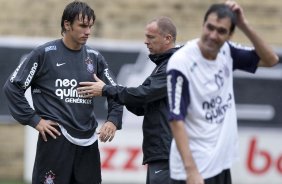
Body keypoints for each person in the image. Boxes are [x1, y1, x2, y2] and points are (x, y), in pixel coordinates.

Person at [3, 1, 123, 184]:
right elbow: (12, 87)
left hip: (88, 143)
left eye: (90, 26)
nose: (88, 32)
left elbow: (116, 91)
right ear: (67, 24)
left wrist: (113, 120)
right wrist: (34, 120)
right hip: (55, 140)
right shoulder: (44, 54)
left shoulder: (95, 58)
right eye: (82, 26)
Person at [166, 1, 279, 184]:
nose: (212, 35)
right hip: (196, 167)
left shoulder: (227, 51)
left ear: (230, 34)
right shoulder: (181, 63)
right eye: (209, 28)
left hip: (220, 163)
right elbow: (176, 119)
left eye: (221, 31)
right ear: (203, 25)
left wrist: (244, 25)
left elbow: (271, 59)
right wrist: (191, 171)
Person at [77, 16, 179, 184]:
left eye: (151, 37)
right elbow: (140, 105)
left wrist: (106, 89)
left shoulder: (172, 66)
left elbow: (142, 94)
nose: (146, 42)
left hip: (167, 153)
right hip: (160, 152)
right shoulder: (163, 65)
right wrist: (114, 97)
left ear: (168, 38)